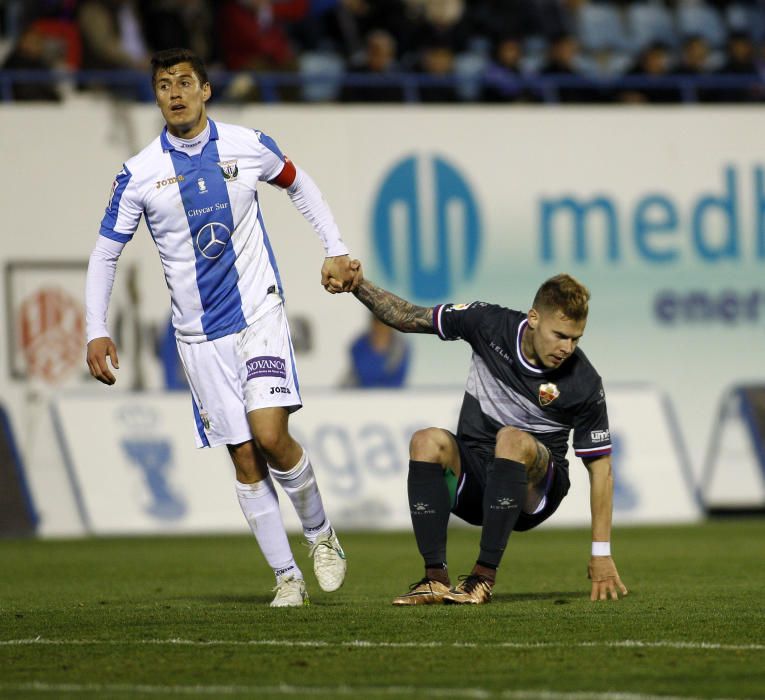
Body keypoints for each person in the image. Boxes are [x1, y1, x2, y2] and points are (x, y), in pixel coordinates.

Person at [85, 47, 357, 607]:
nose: (176, 92)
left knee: (271, 435)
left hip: (258, 313)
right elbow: (106, 253)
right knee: (244, 457)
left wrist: (336, 248)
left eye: (186, 82)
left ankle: (320, 536)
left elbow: (298, 182)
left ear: (206, 90)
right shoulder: (139, 174)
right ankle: (287, 577)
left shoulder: (247, 144)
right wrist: (95, 326)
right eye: (164, 84)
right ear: (156, 96)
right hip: (199, 338)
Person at [347, 270, 628, 605]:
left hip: (534, 493)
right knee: (425, 441)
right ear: (534, 318)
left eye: (576, 338)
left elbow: (602, 470)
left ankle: (482, 578)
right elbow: (409, 317)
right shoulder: (487, 324)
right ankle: (435, 579)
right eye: (560, 335)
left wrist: (601, 553)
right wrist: (355, 284)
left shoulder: (583, 382)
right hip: (477, 482)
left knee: (510, 438)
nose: (567, 347)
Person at [341, 314, 410, 388]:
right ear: (372, 325)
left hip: (391, 396)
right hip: (360, 394)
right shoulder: (358, 346)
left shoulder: (400, 348)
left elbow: (397, 381)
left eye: (384, 328)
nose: (381, 331)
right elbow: (364, 376)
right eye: (378, 327)